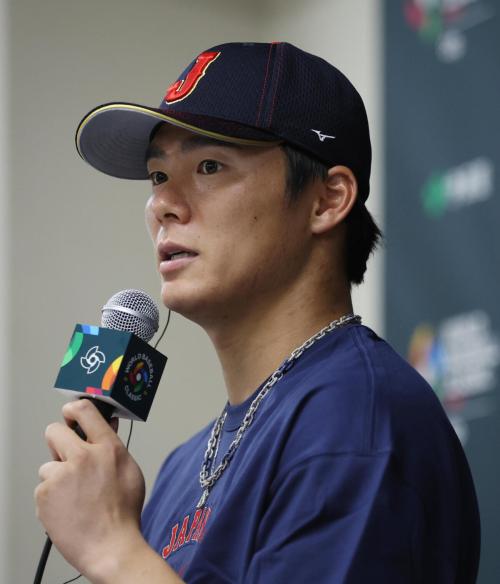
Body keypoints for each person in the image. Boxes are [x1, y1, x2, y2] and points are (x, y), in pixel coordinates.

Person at [35, 42, 480, 583]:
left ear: (327, 200)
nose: (162, 206)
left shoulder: (357, 418)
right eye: (158, 176)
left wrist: (112, 549)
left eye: (209, 166)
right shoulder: (181, 467)